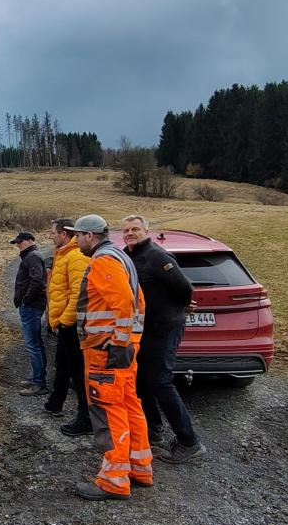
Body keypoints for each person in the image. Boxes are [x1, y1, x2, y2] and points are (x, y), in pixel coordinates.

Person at [72, 214, 153, 501]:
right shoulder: (121, 257)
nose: (76, 240)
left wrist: (118, 343)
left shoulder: (104, 260)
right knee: (129, 404)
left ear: (90, 235)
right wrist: (129, 342)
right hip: (121, 348)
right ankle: (139, 468)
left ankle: (114, 481)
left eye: (78, 235)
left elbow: (124, 303)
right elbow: (138, 301)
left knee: (109, 410)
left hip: (106, 350)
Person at [121, 215, 206, 464]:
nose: (130, 233)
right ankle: (153, 430)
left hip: (164, 328)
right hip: (145, 329)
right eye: (126, 230)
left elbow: (184, 286)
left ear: (146, 230)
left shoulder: (157, 256)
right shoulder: (129, 255)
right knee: (143, 379)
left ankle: (189, 442)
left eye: (135, 228)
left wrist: (179, 307)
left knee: (161, 382)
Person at [44, 218, 92, 435]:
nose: (51, 236)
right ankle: (55, 402)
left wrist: (65, 321)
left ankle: (86, 419)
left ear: (64, 234)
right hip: (63, 323)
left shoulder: (76, 257)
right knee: (62, 365)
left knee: (78, 372)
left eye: (53, 232)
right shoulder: (63, 253)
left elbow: (78, 294)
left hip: (71, 325)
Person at [10, 230, 48, 396]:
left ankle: (39, 383)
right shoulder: (30, 256)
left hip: (31, 306)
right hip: (31, 305)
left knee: (33, 345)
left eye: (20, 242)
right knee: (36, 343)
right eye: (18, 242)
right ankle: (36, 377)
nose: (18, 245)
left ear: (30, 241)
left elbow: (37, 281)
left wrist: (25, 300)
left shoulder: (32, 257)